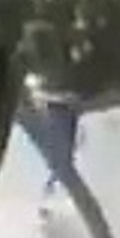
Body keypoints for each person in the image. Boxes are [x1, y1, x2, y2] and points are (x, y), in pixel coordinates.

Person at [26, 74, 83, 207]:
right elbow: (37, 95)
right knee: (61, 162)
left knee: (64, 160)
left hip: (65, 116)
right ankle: (51, 196)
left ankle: (55, 196)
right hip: (57, 117)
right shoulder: (41, 83)